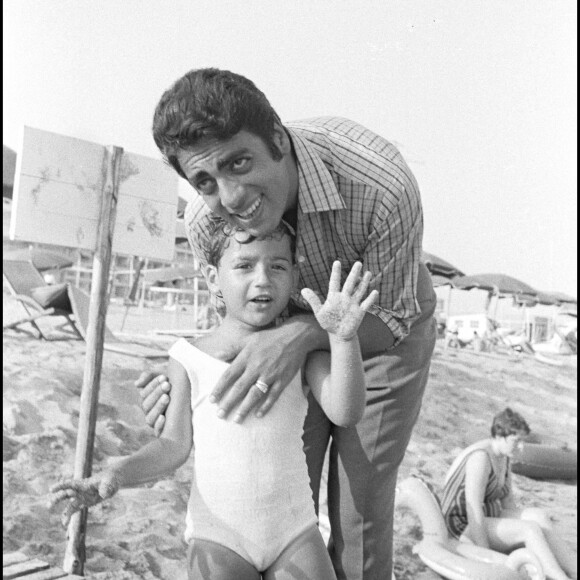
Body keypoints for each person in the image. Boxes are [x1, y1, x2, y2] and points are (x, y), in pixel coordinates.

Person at [136, 67, 437, 579]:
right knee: (279, 487)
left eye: (239, 163)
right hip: (278, 332)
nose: (229, 197)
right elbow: (233, 335)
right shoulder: (205, 221)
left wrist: (302, 335)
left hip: (381, 327)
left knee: (358, 503)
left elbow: (393, 318)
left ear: (278, 138)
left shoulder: (382, 182)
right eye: (205, 180)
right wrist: (180, 387)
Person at [50, 222, 378, 580]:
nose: (263, 279)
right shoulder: (187, 357)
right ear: (212, 276)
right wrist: (118, 471)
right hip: (219, 538)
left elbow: (346, 412)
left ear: (295, 273)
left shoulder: (299, 352)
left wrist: (344, 340)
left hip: (295, 532)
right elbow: (173, 446)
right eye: (244, 265)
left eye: (278, 266)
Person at [441, 408, 577, 580]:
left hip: (487, 516)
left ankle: (574, 567)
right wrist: (485, 553)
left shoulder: (503, 455)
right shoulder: (481, 458)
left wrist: (515, 534)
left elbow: (508, 502)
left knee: (537, 516)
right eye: (516, 441)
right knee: (530, 529)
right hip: (462, 526)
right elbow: (473, 508)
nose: (521, 447)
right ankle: (556, 576)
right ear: (499, 436)